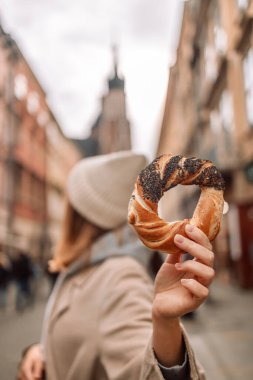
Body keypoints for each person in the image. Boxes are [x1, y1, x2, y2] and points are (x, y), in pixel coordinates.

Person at [17, 151, 215, 380]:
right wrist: (40, 352)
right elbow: (86, 335)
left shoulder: (119, 275)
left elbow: (143, 367)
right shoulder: (85, 266)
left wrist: (165, 325)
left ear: (78, 215)